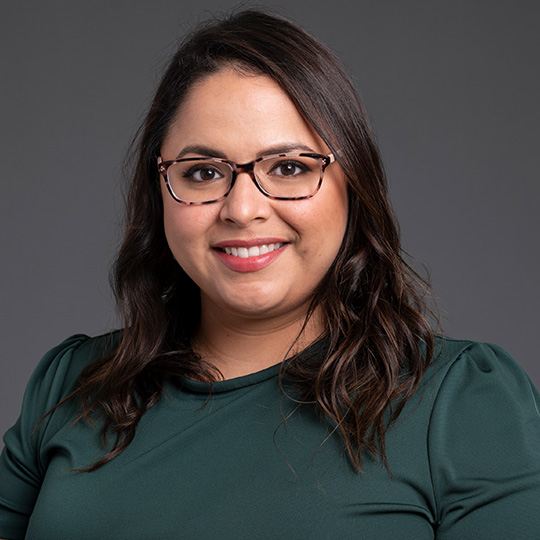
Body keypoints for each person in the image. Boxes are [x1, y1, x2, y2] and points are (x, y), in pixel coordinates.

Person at [1, 9, 539, 540]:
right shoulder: (71, 384)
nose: (242, 208)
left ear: (354, 183)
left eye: (288, 168)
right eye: (204, 172)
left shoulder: (461, 403)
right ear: (159, 190)